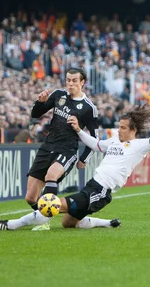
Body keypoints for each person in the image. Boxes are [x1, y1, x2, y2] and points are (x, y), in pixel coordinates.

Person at [0, 102, 150, 231]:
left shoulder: (140, 146)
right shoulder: (114, 142)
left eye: (122, 127)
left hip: (100, 191)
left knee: (50, 204)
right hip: (92, 187)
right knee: (67, 223)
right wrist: (79, 131)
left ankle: (9, 225)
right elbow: (96, 144)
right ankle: (107, 223)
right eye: (118, 126)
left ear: (133, 129)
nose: (118, 130)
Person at [11, 68, 99, 230]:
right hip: (47, 146)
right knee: (30, 197)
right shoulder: (59, 94)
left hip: (68, 149)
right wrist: (41, 102)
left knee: (51, 175)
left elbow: (95, 137)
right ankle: (46, 217)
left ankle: (43, 221)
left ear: (82, 83)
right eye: (68, 80)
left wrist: (84, 158)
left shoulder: (88, 108)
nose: (70, 83)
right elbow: (35, 114)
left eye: (74, 80)